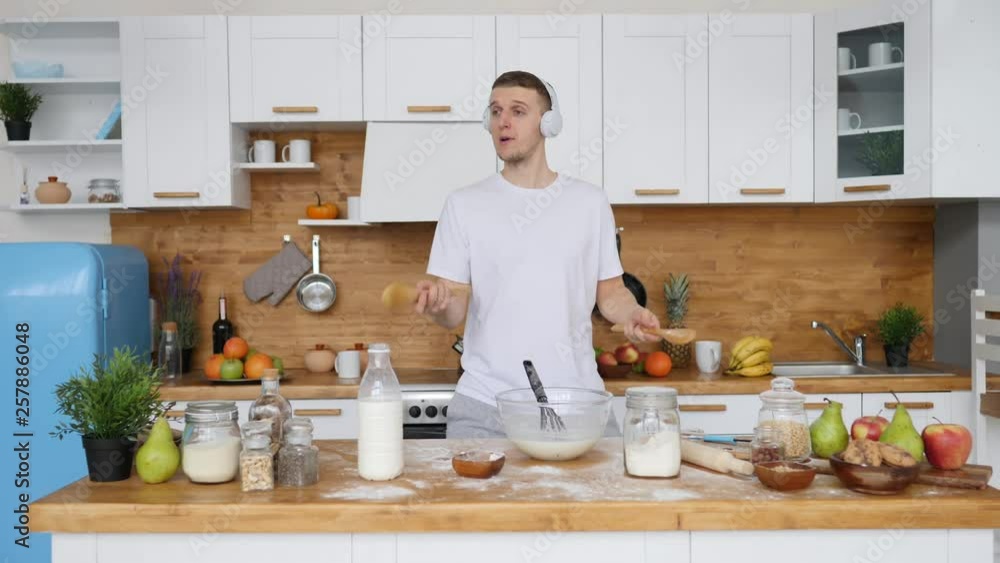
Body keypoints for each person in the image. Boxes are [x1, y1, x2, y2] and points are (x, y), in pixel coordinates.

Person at [416, 70, 661, 439]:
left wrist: (632, 313)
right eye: (495, 111)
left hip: (579, 404)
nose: (504, 122)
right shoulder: (464, 205)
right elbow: (454, 309)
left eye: (517, 111)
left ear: (548, 123)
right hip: (487, 407)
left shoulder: (589, 203)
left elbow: (610, 294)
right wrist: (439, 305)